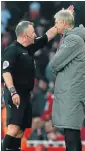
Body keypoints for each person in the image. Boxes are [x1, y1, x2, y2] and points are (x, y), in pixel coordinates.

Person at [2, 6, 74, 151]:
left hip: (26, 94)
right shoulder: (12, 50)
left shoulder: (30, 48)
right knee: (14, 128)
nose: (35, 35)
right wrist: (13, 91)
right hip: (15, 93)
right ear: (25, 35)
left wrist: (63, 18)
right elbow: (6, 72)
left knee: (21, 130)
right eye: (32, 33)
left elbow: (49, 35)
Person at [49, 9, 85, 151]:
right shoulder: (73, 38)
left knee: (71, 136)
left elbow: (54, 63)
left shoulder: (72, 39)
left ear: (64, 23)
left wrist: (57, 69)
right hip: (73, 92)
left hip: (72, 94)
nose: (56, 25)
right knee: (71, 135)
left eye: (57, 22)